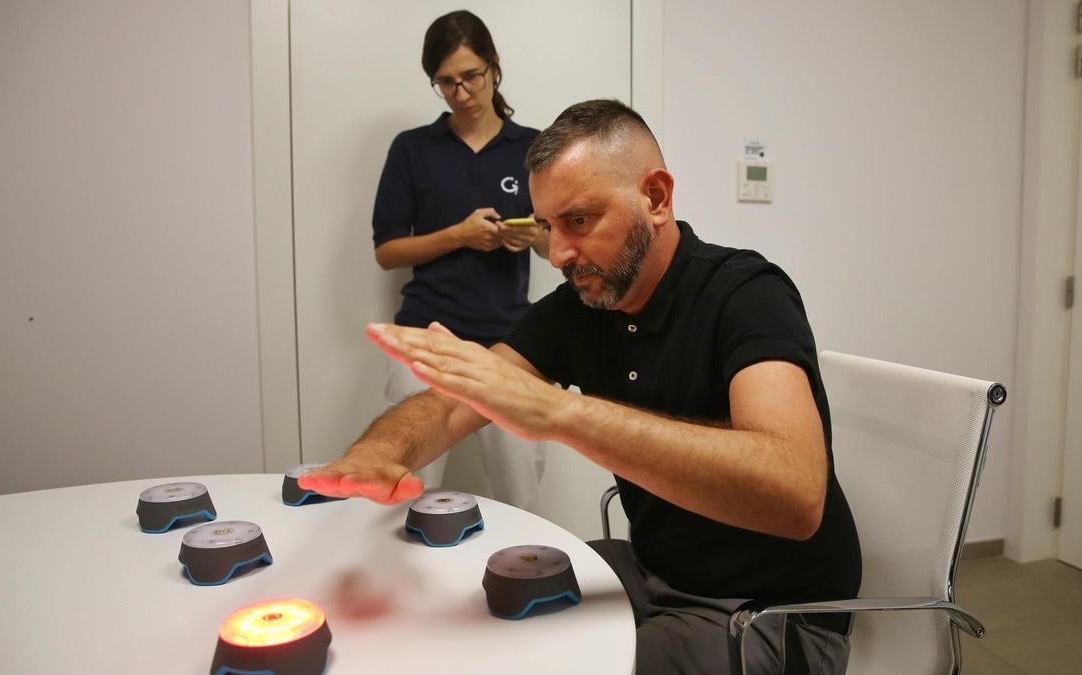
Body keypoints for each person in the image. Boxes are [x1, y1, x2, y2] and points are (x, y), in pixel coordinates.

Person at [308, 99, 862, 675]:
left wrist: (561, 414)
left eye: (578, 221)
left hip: (769, 615)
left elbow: (794, 494)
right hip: (653, 573)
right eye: (548, 227)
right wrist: (379, 452)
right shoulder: (585, 305)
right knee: (479, 623)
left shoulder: (746, 293)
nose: (560, 254)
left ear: (656, 198)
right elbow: (457, 402)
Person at [369, 10, 547, 512]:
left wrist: (533, 236)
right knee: (405, 488)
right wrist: (459, 235)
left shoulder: (533, 147)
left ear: (494, 67)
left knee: (522, 492)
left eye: (470, 77)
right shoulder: (411, 149)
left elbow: (558, 246)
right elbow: (387, 252)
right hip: (425, 336)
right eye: (445, 83)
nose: (461, 92)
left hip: (509, 340)